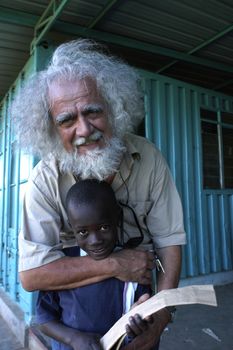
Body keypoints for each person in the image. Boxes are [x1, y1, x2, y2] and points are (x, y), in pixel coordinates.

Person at [11, 39, 186, 348]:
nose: (83, 129)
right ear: (51, 127)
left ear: (114, 106)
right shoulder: (44, 181)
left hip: (139, 313)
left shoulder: (148, 158)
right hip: (75, 330)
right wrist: (116, 264)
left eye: (92, 112)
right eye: (66, 120)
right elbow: (32, 276)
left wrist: (160, 320)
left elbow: (169, 242)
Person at [36, 179, 156, 350]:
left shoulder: (134, 265)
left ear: (118, 219)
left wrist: (137, 327)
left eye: (104, 227)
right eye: (83, 232)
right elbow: (43, 319)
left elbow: (142, 314)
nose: (95, 241)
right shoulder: (62, 265)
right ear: (72, 228)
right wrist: (74, 339)